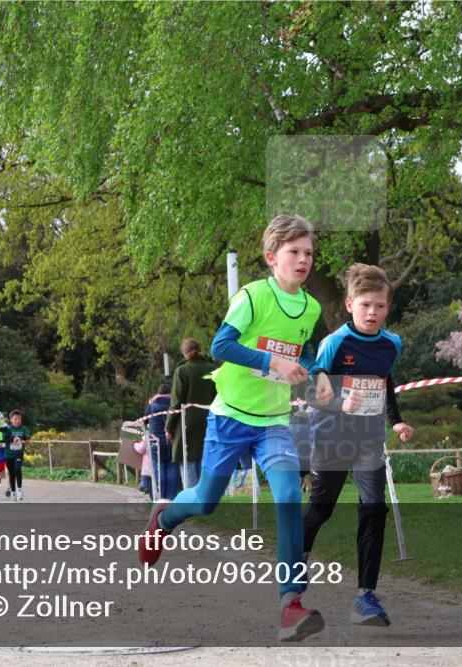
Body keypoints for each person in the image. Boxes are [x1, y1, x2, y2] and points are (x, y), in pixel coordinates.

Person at [138, 214, 326, 642]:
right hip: (230, 416)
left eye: (309, 253)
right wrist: (271, 361)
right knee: (205, 501)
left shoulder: (311, 307)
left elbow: (306, 350)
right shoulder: (253, 297)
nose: (303, 260)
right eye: (294, 252)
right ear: (271, 257)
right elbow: (222, 344)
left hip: (274, 422)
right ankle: (163, 520)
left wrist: (316, 371)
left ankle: (290, 604)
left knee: (288, 497)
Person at [302, 264, 415, 628]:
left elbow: (386, 381)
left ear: (387, 307)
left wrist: (395, 419)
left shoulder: (391, 343)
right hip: (332, 438)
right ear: (350, 304)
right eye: (366, 305)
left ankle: (365, 596)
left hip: (368, 440)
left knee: (373, 510)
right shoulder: (334, 343)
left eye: (380, 306)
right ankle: (296, 558)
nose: (373, 313)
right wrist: (339, 403)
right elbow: (310, 392)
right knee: (321, 509)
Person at [165, 338, 218, 489]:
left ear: (184, 353)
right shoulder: (213, 369)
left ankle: (191, 502)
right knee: (204, 460)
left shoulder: (181, 371)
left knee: (187, 462)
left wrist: (168, 426)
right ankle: (203, 499)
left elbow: (175, 402)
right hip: (209, 421)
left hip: (186, 423)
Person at [145, 384, 178, 501]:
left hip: (155, 442)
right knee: (172, 467)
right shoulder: (175, 405)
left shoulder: (152, 406)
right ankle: (171, 498)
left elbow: (145, 422)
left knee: (157, 468)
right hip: (171, 441)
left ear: (158, 393)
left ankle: (158, 497)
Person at [3, 410, 29, 502]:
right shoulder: (8, 429)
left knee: (18, 469)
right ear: (11, 420)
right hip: (9, 454)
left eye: (19, 419)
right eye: (15, 419)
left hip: (19, 453)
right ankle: (13, 492)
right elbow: (3, 439)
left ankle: (19, 490)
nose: (17, 421)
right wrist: (12, 439)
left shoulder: (24, 429)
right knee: (12, 474)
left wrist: (26, 440)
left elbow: (26, 438)